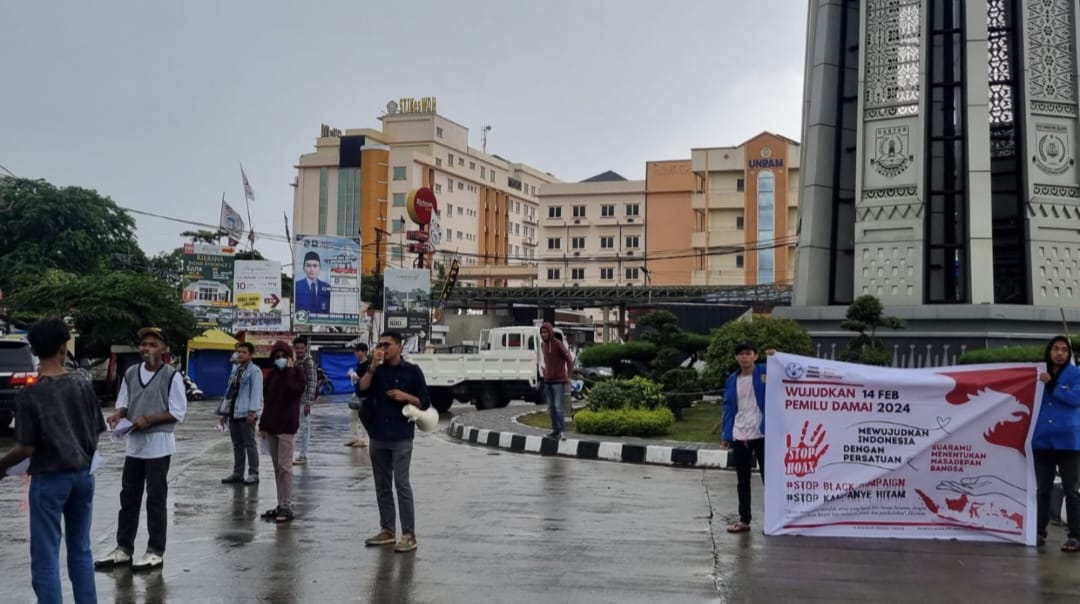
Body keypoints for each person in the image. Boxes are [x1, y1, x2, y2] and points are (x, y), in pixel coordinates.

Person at [0, 318, 106, 603]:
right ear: (63, 348)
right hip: (84, 476)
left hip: (49, 480)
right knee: (81, 550)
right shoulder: (83, 382)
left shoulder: (31, 393)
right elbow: (97, 430)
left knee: (46, 555)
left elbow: (25, 448)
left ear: (34, 350)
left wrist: (0, 467)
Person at [95, 327, 187, 571]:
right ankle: (123, 548)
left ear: (164, 349)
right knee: (129, 497)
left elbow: (178, 412)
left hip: (158, 444)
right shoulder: (131, 373)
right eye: (144, 344)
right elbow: (125, 402)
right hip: (134, 444)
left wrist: (150, 419)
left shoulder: (171, 376)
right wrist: (119, 414)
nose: (146, 348)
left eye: (153, 344)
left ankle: (156, 550)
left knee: (156, 498)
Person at [358, 331, 431, 553]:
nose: (383, 348)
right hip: (377, 434)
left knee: (401, 484)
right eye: (380, 344)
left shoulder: (412, 372)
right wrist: (373, 365)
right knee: (382, 485)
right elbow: (361, 389)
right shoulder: (374, 369)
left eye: (387, 344)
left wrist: (405, 396)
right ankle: (388, 530)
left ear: (399, 347)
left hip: (401, 435)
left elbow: (425, 402)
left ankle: (409, 534)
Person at [1034, 335, 1080, 551]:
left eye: (1063, 349)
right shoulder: (1037, 373)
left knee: (1071, 490)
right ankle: (1038, 531)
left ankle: (1075, 535)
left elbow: (1075, 399)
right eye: (1055, 349)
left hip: (1068, 441)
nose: (1059, 353)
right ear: (1049, 351)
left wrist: (1053, 385)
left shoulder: (1076, 374)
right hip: (1043, 440)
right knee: (1043, 489)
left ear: (1068, 353)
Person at [721, 341, 770, 534]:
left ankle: (772, 519)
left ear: (756, 356)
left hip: (762, 433)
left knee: (769, 478)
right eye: (740, 354)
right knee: (743, 480)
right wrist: (726, 434)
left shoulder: (765, 372)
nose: (744, 357)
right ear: (736, 358)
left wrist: (775, 356)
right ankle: (744, 519)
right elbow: (728, 407)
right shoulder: (732, 379)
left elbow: (786, 368)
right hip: (739, 433)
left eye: (748, 353)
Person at [258, 341, 308, 523]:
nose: (280, 359)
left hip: (287, 427)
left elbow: (295, 390)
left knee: (285, 468)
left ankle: (286, 506)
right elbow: (268, 401)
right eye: (277, 356)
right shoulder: (271, 376)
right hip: (271, 426)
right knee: (277, 468)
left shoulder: (297, 373)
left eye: (283, 356)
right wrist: (262, 425)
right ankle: (280, 503)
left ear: (290, 357)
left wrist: (289, 369)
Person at [218, 342, 263, 484]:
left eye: (243, 352)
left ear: (250, 354)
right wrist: (224, 413)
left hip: (246, 412)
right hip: (233, 411)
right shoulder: (236, 370)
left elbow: (256, 392)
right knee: (237, 444)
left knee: (250, 443)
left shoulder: (254, 371)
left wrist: (252, 412)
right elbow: (229, 391)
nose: (240, 354)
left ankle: (254, 473)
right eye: (239, 352)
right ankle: (238, 473)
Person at [539, 322, 574, 440]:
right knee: (551, 407)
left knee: (559, 407)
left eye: (545, 332)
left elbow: (569, 359)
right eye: (542, 332)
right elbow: (546, 361)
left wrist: (568, 375)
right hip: (547, 381)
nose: (543, 334)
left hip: (558, 381)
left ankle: (563, 432)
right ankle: (555, 431)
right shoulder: (542, 345)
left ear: (550, 332)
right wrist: (544, 371)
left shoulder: (558, 344)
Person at [292, 338, 318, 465]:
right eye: (297, 348)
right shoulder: (296, 362)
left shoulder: (309, 362)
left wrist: (308, 402)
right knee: (294, 427)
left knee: (304, 428)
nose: (299, 350)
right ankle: (294, 453)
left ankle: (303, 455)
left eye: (302, 348)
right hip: (295, 400)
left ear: (306, 348)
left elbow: (312, 383)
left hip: (304, 401)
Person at [346, 342, 371, 447]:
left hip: (366, 394)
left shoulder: (369, 364)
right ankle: (355, 437)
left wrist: (358, 378)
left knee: (364, 417)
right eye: (355, 351)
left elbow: (369, 380)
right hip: (357, 392)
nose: (355, 353)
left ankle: (364, 440)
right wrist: (352, 376)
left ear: (364, 352)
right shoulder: (359, 363)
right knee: (352, 416)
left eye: (358, 351)